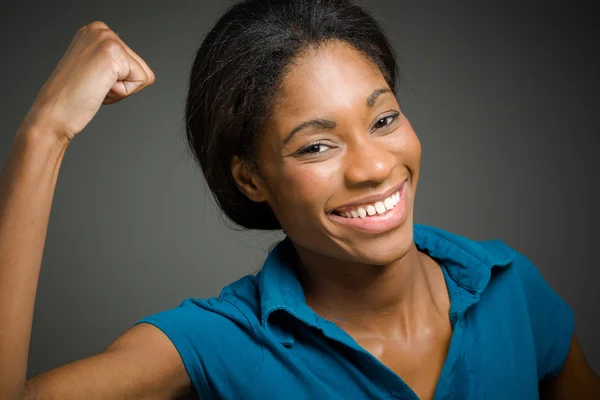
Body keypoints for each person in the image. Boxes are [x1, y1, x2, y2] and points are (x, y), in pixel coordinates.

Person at [0, 0, 598, 399]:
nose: (374, 167)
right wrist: (43, 134)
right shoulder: (220, 344)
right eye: (316, 147)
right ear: (251, 179)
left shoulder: (509, 287)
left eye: (384, 118)